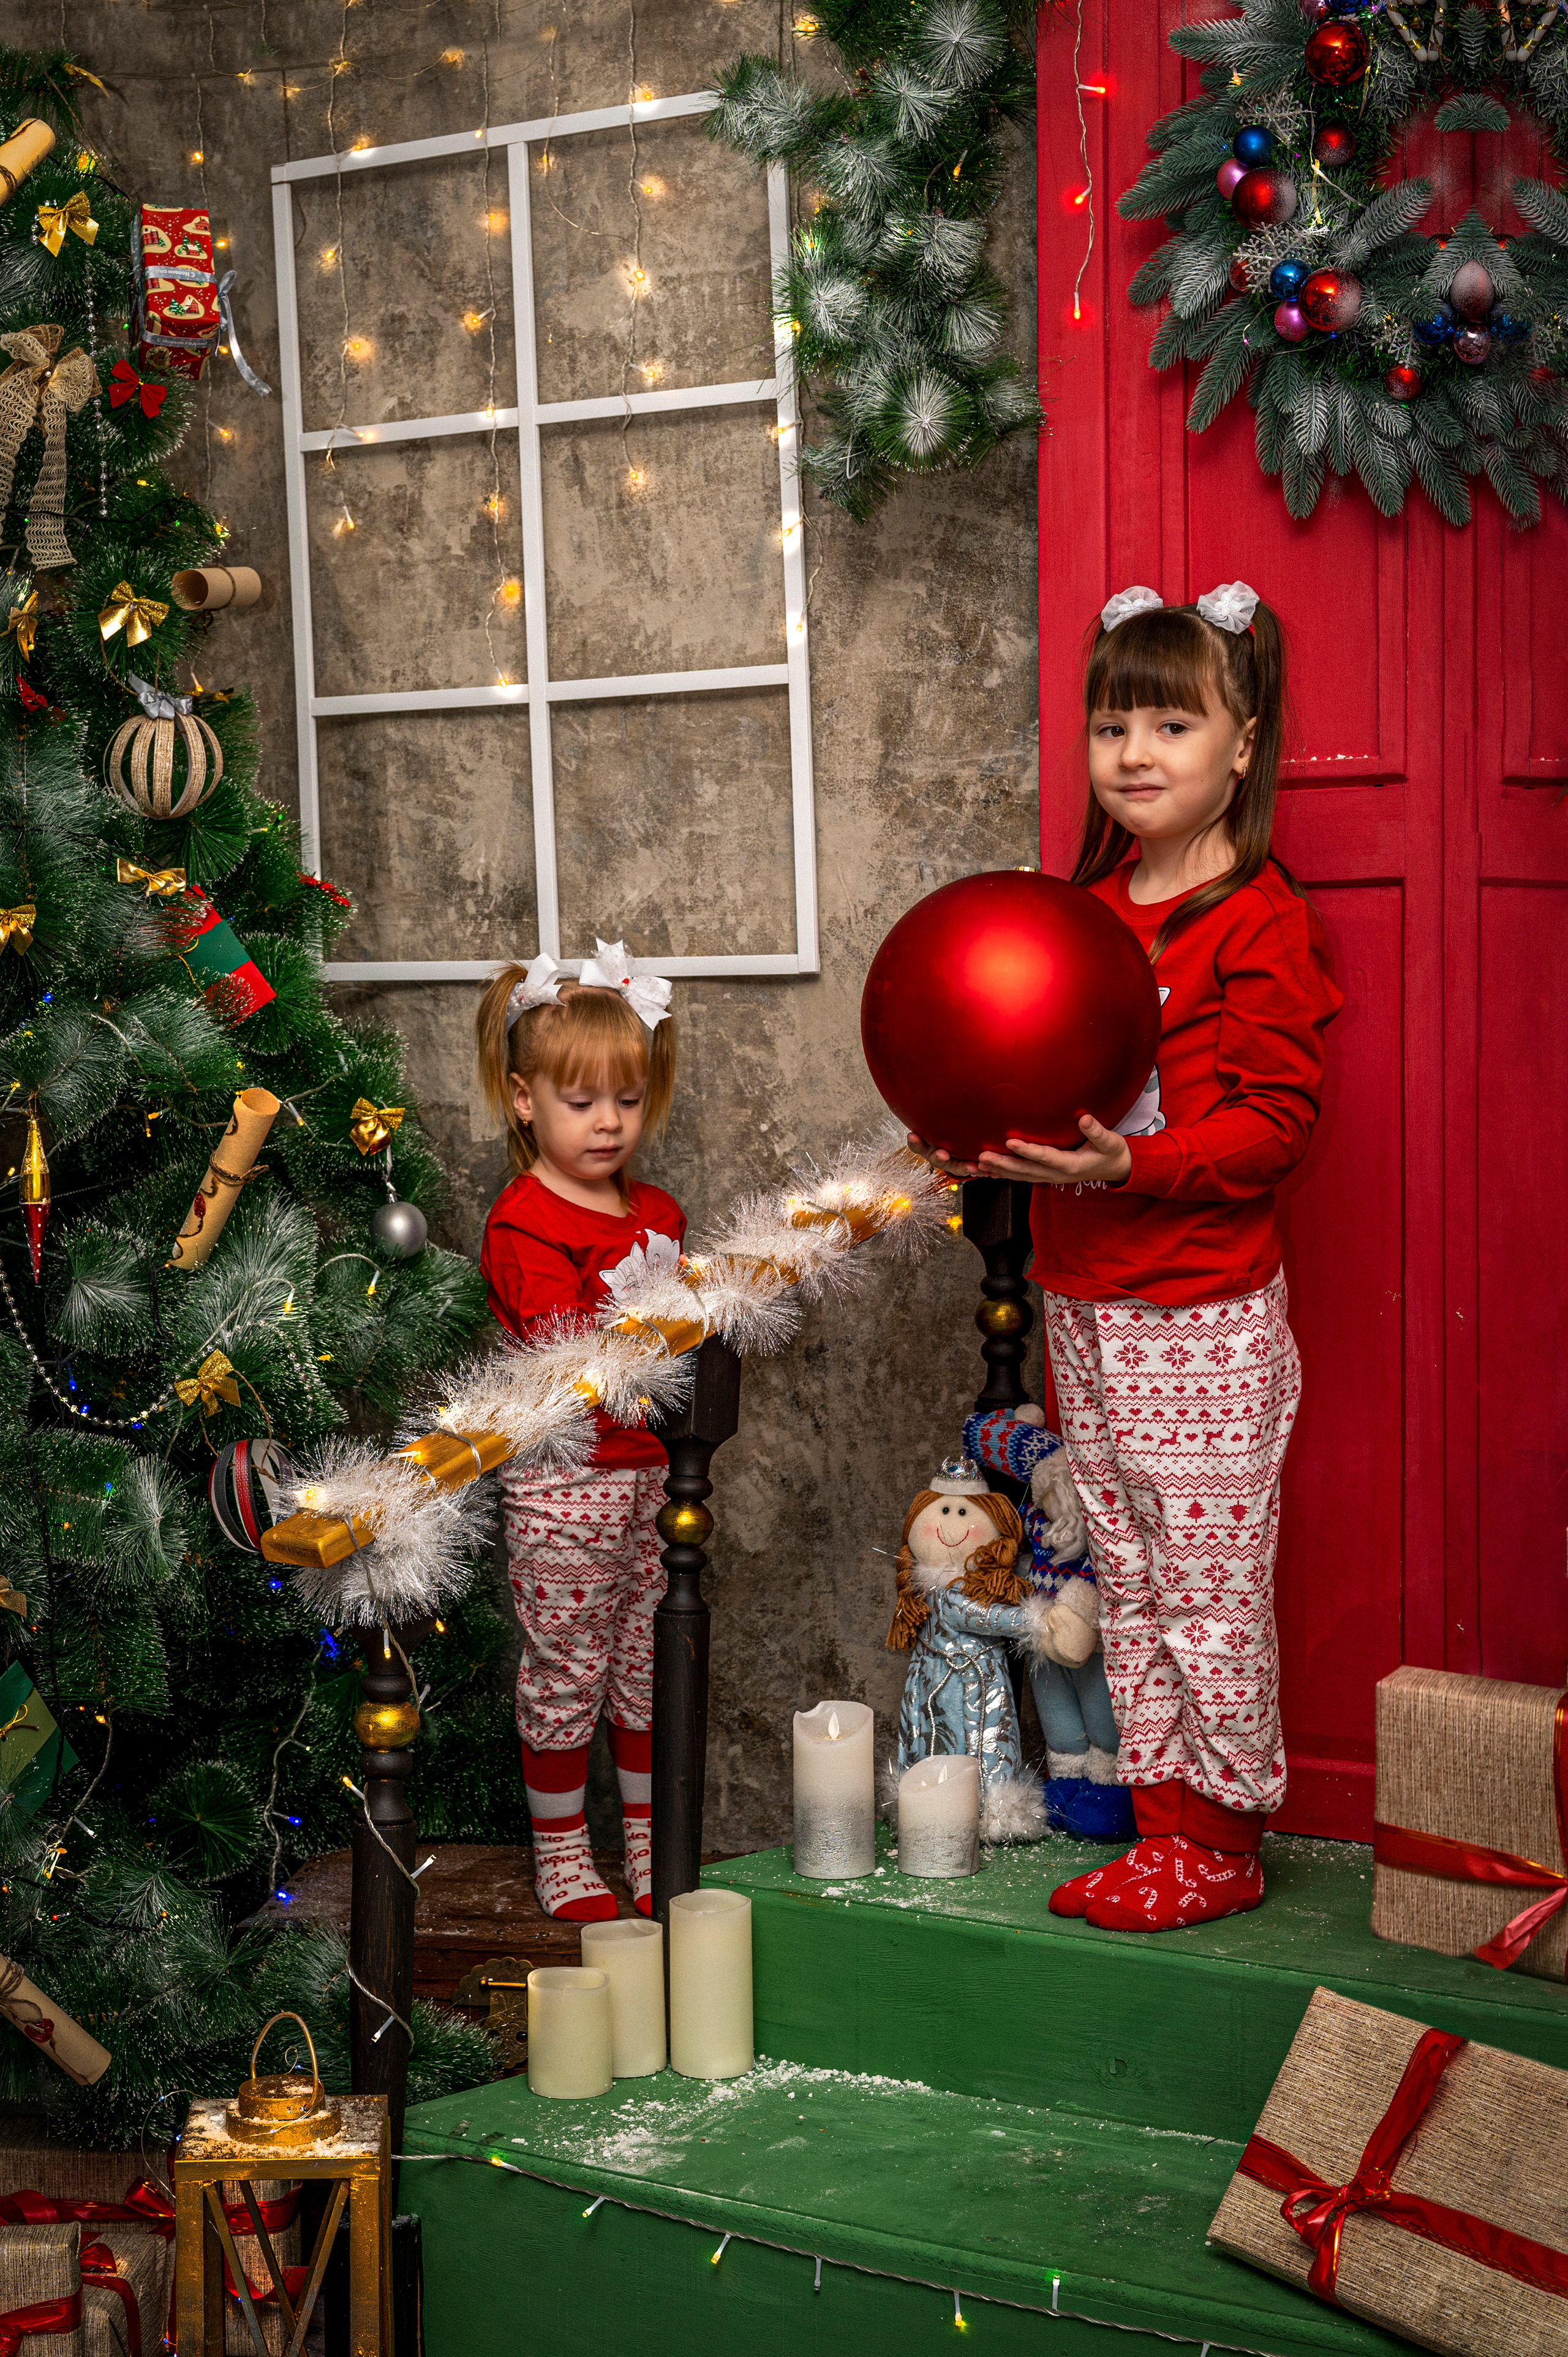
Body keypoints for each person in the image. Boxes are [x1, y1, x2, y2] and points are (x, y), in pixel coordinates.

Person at [914, 581, 1342, 1931]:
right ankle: (1162, 1824)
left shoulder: (1256, 920)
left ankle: (1220, 1834)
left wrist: (1129, 1166)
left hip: (1200, 1315)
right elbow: (1037, 1071)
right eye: (1113, 726)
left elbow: (1273, 1124)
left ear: (1242, 745)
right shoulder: (1082, 909)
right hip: (1084, 1299)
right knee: (1132, 1582)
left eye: (1173, 722)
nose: (1137, 753)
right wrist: (976, 1133)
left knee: (1208, 1592)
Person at [474, 940, 682, 1923]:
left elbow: (680, 1351)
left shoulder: (659, 1211)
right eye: (581, 1101)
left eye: (627, 1101)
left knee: (646, 1662)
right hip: (568, 1482)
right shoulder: (525, 1224)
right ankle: (563, 1851)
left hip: (655, 1476)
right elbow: (576, 1359)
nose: (608, 1123)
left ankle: (647, 1843)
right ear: (525, 1100)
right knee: (569, 1667)